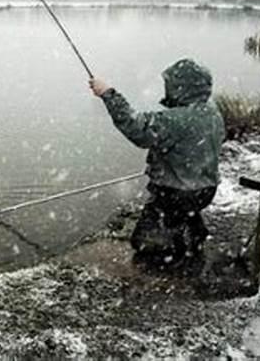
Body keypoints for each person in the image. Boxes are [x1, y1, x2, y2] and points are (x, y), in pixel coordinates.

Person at [89, 58, 225, 265]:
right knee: (184, 209)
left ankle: (173, 255)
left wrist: (108, 94)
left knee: (143, 244)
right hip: (206, 191)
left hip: (176, 195)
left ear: (182, 88)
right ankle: (192, 233)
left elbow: (137, 128)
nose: (167, 89)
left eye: (170, 85)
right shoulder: (213, 114)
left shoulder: (175, 119)